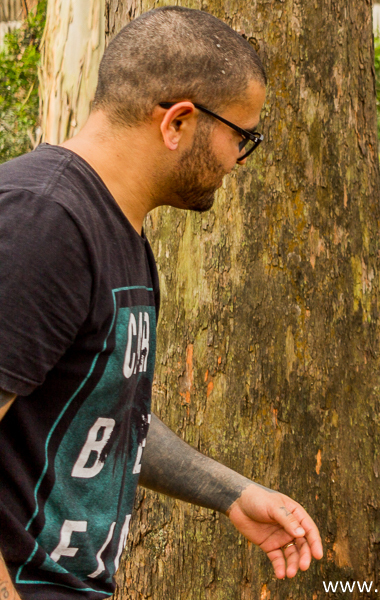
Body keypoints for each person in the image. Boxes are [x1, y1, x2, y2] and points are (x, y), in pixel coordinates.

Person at [0, 7, 323, 600]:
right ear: (178, 121)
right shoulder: (42, 221)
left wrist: (232, 492)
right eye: (241, 138)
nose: (238, 162)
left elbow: (106, 414)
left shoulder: (120, 232)